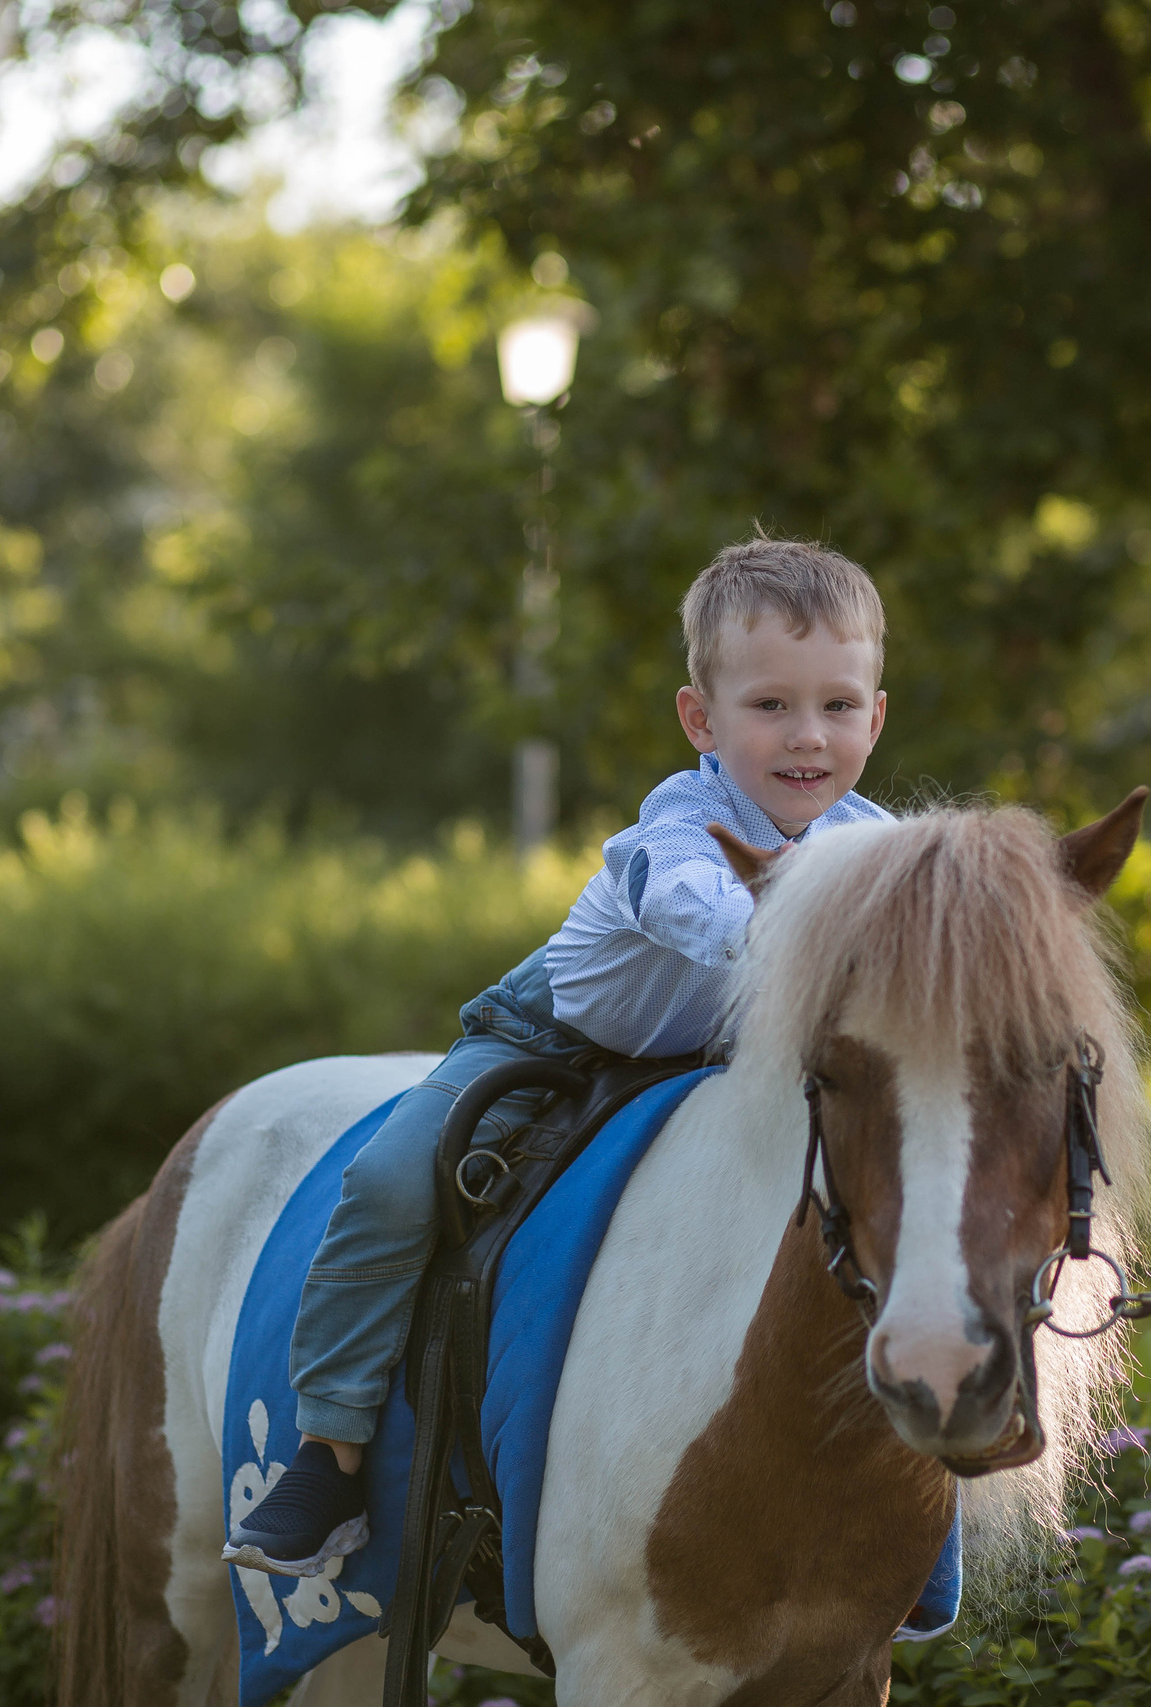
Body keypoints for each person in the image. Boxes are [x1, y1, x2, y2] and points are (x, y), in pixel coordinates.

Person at [224, 537, 894, 1576]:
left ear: (875, 715)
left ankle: (906, 1516)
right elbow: (701, 910)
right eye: (769, 707)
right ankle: (327, 1451)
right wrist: (824, 937)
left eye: (837, 707)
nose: (807, 738)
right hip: (559, 1041)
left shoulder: (875, 842)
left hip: (726, 1063)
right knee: (393, 1180)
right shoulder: (678, 827)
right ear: (701, 720)